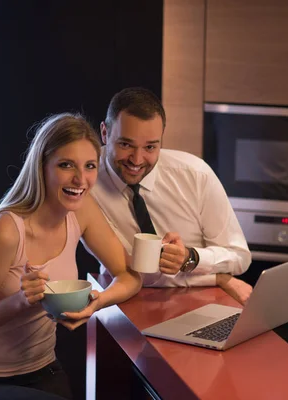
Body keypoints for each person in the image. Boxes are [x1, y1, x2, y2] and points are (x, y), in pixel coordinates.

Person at [0, 113, 142, 400]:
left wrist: (96, 303)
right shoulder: (7, 230)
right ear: (41, 167)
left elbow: (130, 276)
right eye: (66, 165)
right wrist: (21, 301)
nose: (80, 179)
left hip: (41, 369)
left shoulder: (81, 212)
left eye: (90, 166)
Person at [89, 87, 253, 304]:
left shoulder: (196, 175)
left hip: (197, 301)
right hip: (121, 301)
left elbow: (240, 257)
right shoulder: (84, 178)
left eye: (150, 147)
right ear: (104, 133)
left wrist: (190, 258)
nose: (137, 160)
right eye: (126, 144)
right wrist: (218, 278)